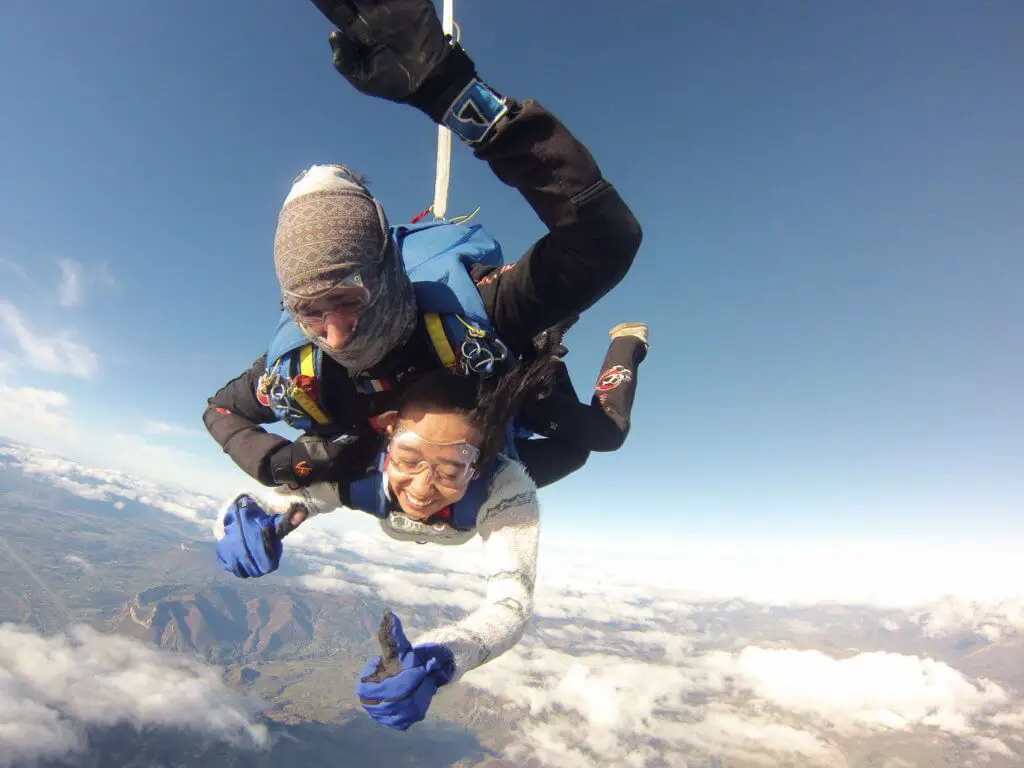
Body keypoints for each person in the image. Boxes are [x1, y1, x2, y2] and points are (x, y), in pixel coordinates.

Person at [202, 0, 642, 494]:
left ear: (385, 274)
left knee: (599, 438)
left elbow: (603, 242)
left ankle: (628, 341)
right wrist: (283, 464)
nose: (337, 336)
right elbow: (220, 411)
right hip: (420, 448)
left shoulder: (477, 311)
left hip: (497, 374)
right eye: (309, 310)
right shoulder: (302, 369)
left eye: (347, 300)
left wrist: (451, 91)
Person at [214, 353, 555, 731]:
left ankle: (626, 342)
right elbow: (280, 502)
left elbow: (512, 605)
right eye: (409, 460)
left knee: (586, 445)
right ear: (388, 437)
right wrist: (242, 521)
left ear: (478, 467)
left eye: (451, 469)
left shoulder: (504, 485)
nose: (423, 491)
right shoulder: (358, 462)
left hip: (497, 460)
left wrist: (443, 658)